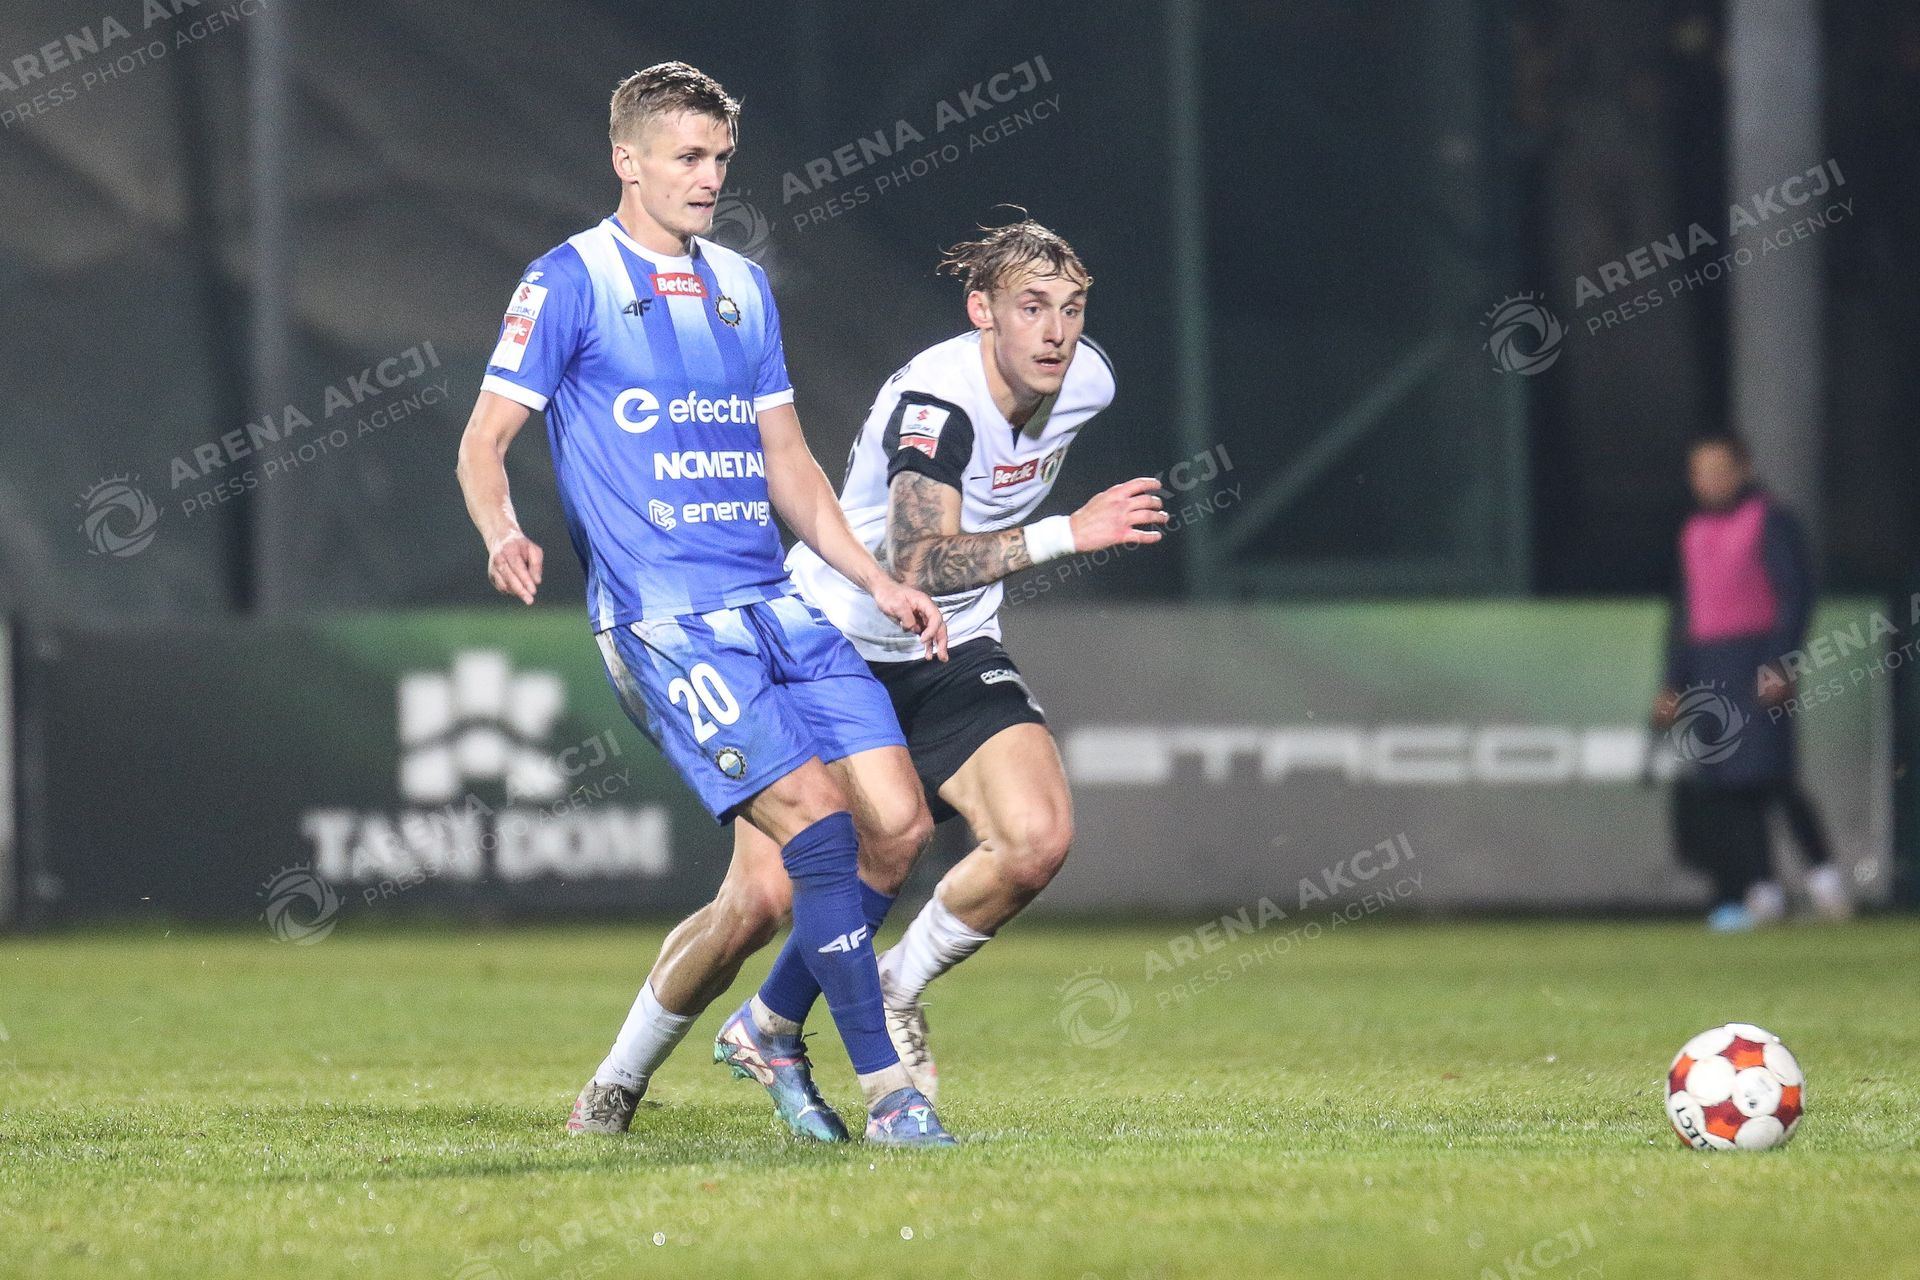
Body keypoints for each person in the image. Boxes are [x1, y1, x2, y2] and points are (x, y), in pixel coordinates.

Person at [455, 62, 957, 1146]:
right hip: (665, 622)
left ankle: (677, 1060)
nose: (710, 176)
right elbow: (483, 440)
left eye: (721, 157)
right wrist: (502, 530)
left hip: (775, 603)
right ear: (626, 161)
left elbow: (788, 460)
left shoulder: (741, 285)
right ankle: (891, 1096)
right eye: (688, 156)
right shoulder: (569, 279)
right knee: (818, 827)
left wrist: (875, 578)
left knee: (889, 832)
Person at [573, 215, 1167, 1120]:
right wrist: (1067, 533)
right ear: (982, 312)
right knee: (759, 901)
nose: (1056, 332)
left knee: (1035, 839)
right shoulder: (938, 405)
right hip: (835, 639)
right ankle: (617, 1080)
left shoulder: (1088, 380)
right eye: (1031, 307)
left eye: (1072, 308)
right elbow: (919, 561)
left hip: (950, 647)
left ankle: (882, 990)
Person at [1654, 433, 1852, 930]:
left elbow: (1794, 594)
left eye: (1719, 469)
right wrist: (1673, 682)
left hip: (1755, 659)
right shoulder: (1693, 530)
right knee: (1726, 785)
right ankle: (1763, 890)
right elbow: (1684, 611)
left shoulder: (1770, 519)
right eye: (1700, 472)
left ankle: (1825, 880)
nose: (1709, 480)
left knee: (1772, 776)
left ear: (1743, 470)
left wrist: (1780, 662)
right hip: (1709, 665)